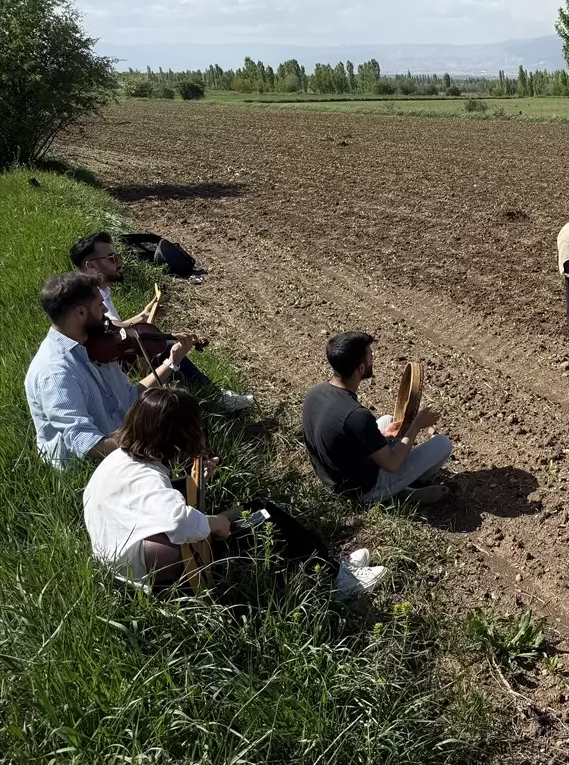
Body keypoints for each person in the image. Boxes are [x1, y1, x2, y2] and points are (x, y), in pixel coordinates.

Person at [83, 387, 386, 596]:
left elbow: (148, 504)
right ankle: (337, 580)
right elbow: (177, 521)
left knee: (254, 511)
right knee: (266, 514)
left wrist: (192, 484)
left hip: (129, 565)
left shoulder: (119, 460)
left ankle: (327, 567)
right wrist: (214, 522)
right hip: (164, 572)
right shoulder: (146, 478)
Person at [24, 271, 197, 469]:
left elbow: (131, 396)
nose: (105, 309)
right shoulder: (56, 373)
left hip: (122, 443)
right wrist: (147, 446)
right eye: (99, 305)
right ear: (81, 313)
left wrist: (172, 362)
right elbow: (88, 444)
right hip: (95, 468)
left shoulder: (96, 346)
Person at [69, 232, 253, 411]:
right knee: (164, 347)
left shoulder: (100, 291)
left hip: (109, 355)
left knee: (163, 350)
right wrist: (154, 331)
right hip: (104, 362)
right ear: (91, 266)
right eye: (112, 258)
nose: (119, 262)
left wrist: (144, 315)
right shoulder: (90, 297)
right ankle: (211, 399)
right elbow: (111, 329)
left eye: (117, 256)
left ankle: (197, 400)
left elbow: (112, 326)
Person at [303, 331, 452, 506]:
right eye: (370, 356)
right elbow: (392, 464)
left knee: (388, 420)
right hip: (362, 492)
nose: (372, 359)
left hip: (334, 478)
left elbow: (343, 436)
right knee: (442, 444)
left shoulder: (315, 392)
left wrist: (382, 437)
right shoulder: (357, 416)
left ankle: (398, 484)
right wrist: (416, 425)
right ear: (360, 368)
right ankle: (400, 489)